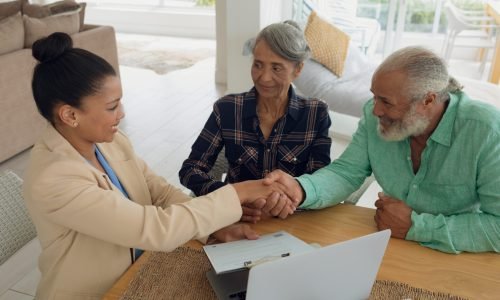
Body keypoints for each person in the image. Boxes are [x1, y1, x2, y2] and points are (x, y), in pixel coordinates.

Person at [22, 32, 292, 299]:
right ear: (70, 115)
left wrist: (216, 229)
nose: (122, 113)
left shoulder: (108, 141)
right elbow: (154, 229)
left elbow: (159, 193)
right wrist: (239, 192)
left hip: (141, 272)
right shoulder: (54, 179)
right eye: (112, 107)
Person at [264, 46, 500, 254]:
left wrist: (417, 227)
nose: (375, 110)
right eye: (374, 97)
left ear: (428, 101)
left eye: (386, 102)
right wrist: (301, 189)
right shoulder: (372, 114)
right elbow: (346, 172)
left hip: (460, 258)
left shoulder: (487, 131)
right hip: (391, 248)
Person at [179, 21, 332, 221]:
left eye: (276, 68)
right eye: (258, 64)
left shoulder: (316, 114)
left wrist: (286, 200)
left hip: (294, 221)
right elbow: (190, 170)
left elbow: (318, 181)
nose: (264, 78)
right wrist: (233, 196)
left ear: (298, 69)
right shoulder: (227, 109)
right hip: (236, 219)